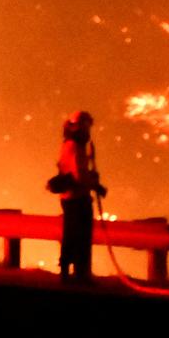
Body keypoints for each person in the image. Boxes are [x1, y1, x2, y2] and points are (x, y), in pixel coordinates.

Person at [57, 110, 106, 284]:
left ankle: (72, 272)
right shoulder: (74, 147)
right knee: (79, 237)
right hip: (76, 199)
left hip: (73, 198)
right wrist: (95, 184)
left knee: (72, 235)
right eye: (85, 126)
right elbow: (79, 176)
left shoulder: (72, 146)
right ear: (78, 126)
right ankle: (79, 274)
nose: (87, 130)